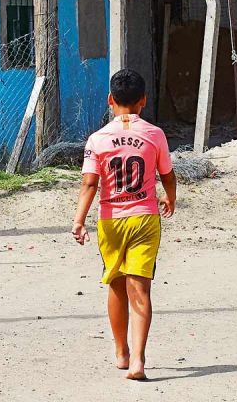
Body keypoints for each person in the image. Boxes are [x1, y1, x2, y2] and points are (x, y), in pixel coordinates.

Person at [72, 69, 176, 381]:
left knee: (116, 285)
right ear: (143, 101)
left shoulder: (97, 139)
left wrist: (79, 220)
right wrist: (170, 198)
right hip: (145, 218)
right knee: (140, 289)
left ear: (110, 100)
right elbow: (167, 175)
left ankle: (121, 352)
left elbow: (90, 184)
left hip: (110, 221)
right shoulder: (155, 134)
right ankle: (139, 360)